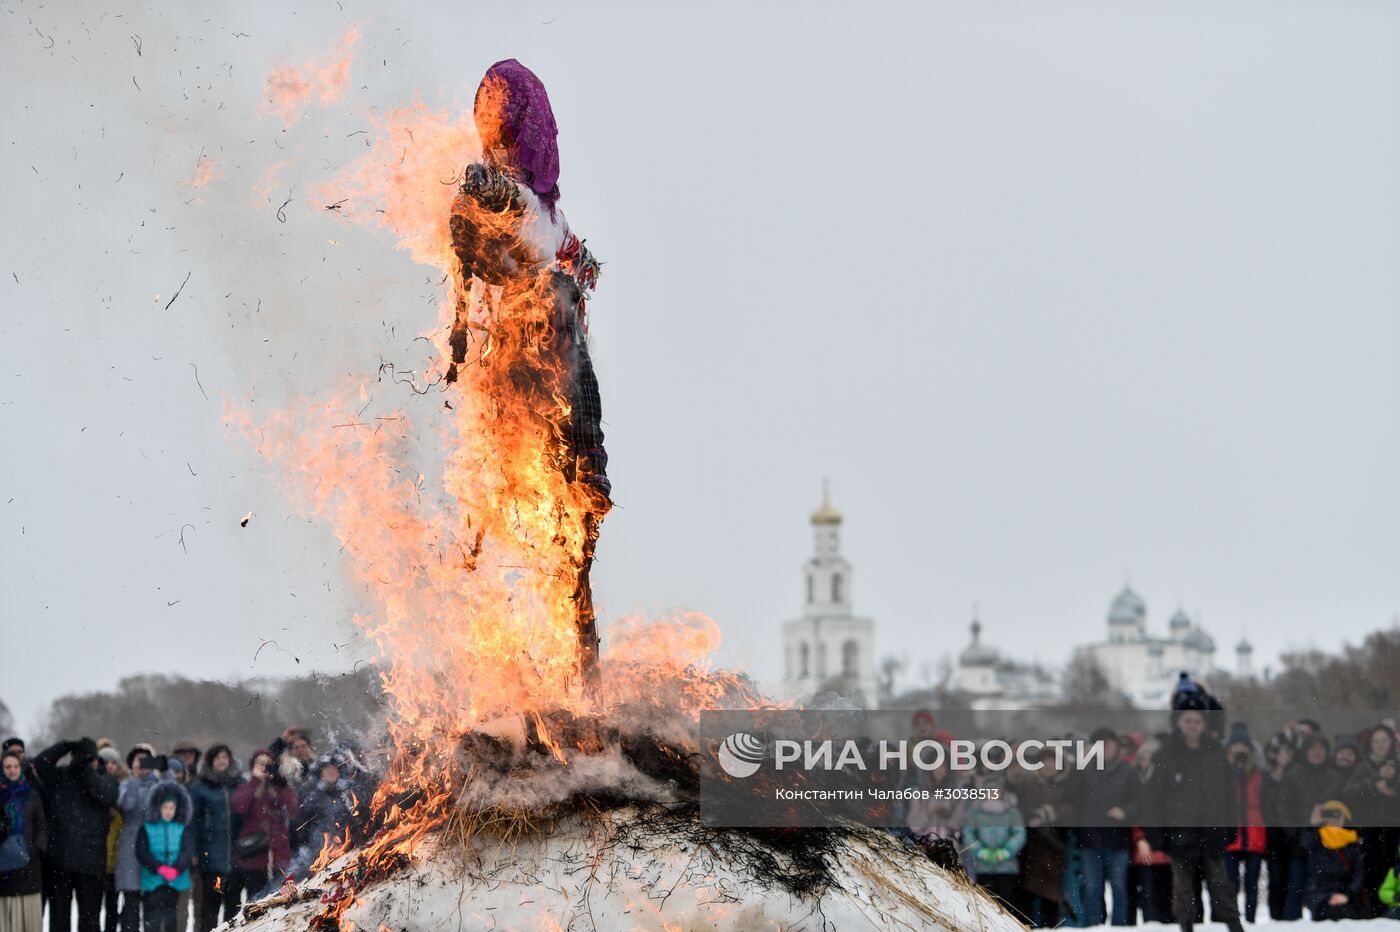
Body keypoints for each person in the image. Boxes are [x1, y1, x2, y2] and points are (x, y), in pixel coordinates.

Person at [446, 58, 612, 682]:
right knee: (571, 505)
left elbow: (584, 269)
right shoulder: (515, 202)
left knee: (581, 507)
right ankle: (570, 663)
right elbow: (488, 233)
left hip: (557, 361)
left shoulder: (548, 214)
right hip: (532, 363)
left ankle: (581, 664)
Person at [1142, 704, 1244, 932]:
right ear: (1178, 723)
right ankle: (1185, 927)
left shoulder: (1216, 753)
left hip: (1212, 832)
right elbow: (1152, 799)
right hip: (1179, 834)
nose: (1192, 726)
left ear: (1204, 724)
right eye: (1188, 721)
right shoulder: (1166, 754)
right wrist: (1157, 835)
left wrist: (1229, 828)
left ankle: (1234, 925)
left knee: (1221, 886)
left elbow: (1228, 795)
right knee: (1183, 890)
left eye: (1197, 721)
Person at [32, 739, 117, 932]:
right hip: (60, 861)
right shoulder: (60, 777)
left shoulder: (105, 778)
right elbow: (40, 764)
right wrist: (65, 746)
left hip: (91, 864)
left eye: (89, 759)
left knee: (90, 920)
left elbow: (107, 795)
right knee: (59, 919)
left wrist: (85, 770)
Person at [1072, 727, 1138, 926]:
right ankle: (1094, 926)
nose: (1105, 749)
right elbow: (1071, 795)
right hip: (1090, 840)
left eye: (1108, 744)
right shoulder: (1084, 770)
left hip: (1118, 840)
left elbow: (1138, 800)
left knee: (1119, 887)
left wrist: (1125, 811)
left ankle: (1120, 926)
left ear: (1116, 746)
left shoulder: (1127, 771)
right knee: (1092, 888)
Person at [231, 749, 298, 901]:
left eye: (268, 764)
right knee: (255, 902)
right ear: (252, 766)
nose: (264, 767)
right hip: (254, 855)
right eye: (260, 763)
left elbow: (293, 811)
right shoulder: (247, 786)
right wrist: (256, 781)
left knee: (281, 900)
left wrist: (281, 782)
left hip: (279, 855)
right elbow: (239, 807)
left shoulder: (280, 788)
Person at [189, 744, 241, 931]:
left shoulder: (238, 784)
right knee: (209, 909)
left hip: (236, 857)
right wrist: (194, 851)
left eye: (224, 757)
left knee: (233, 910)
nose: (221, 761)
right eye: (217, 758)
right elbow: (193, 822)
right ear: (211, 762)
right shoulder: (200, 789)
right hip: (210, 856)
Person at [1222, 724, 1268, 924]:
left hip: (1254, 832)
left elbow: (1266, 804)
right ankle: (1233, 919)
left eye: (1243, 745)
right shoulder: (1223, 773)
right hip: (1231, 833)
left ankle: (1250, 919)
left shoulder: (1258, 774)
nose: (1240, 749)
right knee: (1229, 882)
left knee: (1252, 882)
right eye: (1236, 745)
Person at [0, 748, 48, 932]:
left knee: (28, 920)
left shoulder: (31, 794)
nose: (11, 770)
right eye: (7, 767)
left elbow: (42, 827)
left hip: (29, 865)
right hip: (3, 868)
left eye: (15, 766)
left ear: (21, 768)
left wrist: (34, 850)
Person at [134, 786, 193, 932]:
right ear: (159, 808)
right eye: (165, 807)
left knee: (171, 919)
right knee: (152, 919)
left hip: (175, 881)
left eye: (171, 807)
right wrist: (159, 867)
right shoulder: (147, 827)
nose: (168, 811)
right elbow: (141, 852)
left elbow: (187, 851)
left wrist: (176, 869)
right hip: (153, 880)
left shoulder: (181, 827)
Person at [962, 776, 1026, 910]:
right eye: (988, 790)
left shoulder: (1012, 812)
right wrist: (980, 850)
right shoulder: (976, 813)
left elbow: (1019, 834)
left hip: (1006, 867)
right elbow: (968, 834)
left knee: (1006, 903)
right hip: (982, 866)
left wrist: (1007, 850)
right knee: (985, 903)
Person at [288, 755, 355, 881]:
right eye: (327, 769)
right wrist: (303, 847)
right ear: (320, 774)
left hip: (345, 847)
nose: (331, 772)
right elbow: (299, 824)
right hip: (318, 849)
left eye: (334, 769)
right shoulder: (310, 795)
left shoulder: (348, 793)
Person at [115, 751, 161, 931]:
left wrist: (163, 772)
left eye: (146, 760)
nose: (142, 764)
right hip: (130, 846)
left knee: (153, 900)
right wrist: (134, 779)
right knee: (131, 900)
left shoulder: (158, 785)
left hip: (154, 845)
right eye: (138, 760)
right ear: (131, 763)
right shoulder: (126, 784)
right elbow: (127, 806)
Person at [1301, 800, 1364, 920]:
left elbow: (1358, 875)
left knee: (1348, 914)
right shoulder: (1315, 840)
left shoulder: (1352, 843)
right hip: (1319, 897)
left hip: (1346, 896)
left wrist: (1347, 895)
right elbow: (1305, 840)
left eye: (1338, 815)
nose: (1334, 820)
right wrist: (1312, 823)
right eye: (1329, 815)